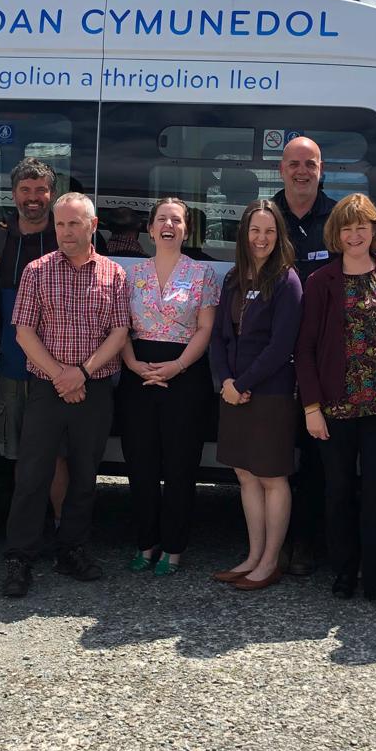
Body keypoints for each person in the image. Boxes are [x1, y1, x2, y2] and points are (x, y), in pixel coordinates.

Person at [0, 192, 130, 598]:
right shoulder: (37, 271)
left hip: (93, 389)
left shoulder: (114, 274)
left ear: (93, 226)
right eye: (60, 224)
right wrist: (60, 375)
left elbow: (119, 332)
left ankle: (71, 548)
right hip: (47, 387)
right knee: (32, 474)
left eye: (75, 223)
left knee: (85, 476)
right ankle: (19, 556)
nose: (66, 231)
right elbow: (23, 331)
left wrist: (82, 373)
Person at [296, 193, 376, 613]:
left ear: (374, 229)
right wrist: (311, 407)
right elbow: (306, 348)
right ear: (336, 233)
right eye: (346, 227)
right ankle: (345, 570)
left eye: (361, 225)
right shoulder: (321, 281)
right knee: (339, 491)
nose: (354, 234)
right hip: (336, 408)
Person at [118, 198, 220, 576]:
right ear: (150, 228)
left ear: (186, 230)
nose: (169, 225)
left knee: (180, 466)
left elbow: (206, 328)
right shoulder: (131, 275)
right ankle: (146, 544)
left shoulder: (202, 275)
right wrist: (131, 364)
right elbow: (120, 327)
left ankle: (174, 548)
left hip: (185, 375)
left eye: (176, 220)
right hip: (138, 375)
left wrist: (176, 366)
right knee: (140, 464)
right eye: (162, 218)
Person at [209, 201, 303, 590]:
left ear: (278, 235)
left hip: (269, 395)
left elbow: (281, 347)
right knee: (245, 475)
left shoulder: (287, 281)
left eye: (268, 231)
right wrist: (225, 382)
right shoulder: (233, 278)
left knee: (271, 477)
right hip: (233, 392)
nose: (261, 239)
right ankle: (252, 555)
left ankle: (269, 562)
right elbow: (217, 337)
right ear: (244, 236)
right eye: (254, 231)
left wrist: (242, 384)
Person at [0, 159, 66, 534]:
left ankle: (59, 524)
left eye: (41, 190)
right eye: (26, 190)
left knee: (59, 451)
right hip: (14, 364)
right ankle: (25, 526)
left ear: (52, 193)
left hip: (61, 364)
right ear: (14, 193)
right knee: (16, 450)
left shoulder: (65, 235)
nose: (34, 198)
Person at [271, 135, 338, 577]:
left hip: (323, 357)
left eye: (309, 163)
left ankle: (307, 542)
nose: (301, 171)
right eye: (293, 163)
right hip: (273, 357)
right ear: (281, 169)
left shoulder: (337, 217)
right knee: (275, 454)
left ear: (321, 169)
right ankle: (273, 541)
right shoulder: (265, 215)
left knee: (318, 457)